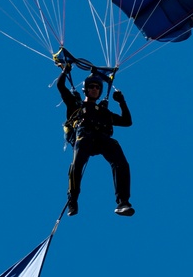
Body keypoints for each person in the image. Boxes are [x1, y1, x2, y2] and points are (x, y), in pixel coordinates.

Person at [57, 65, 135, 216]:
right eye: (91, 87)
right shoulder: (76, 105)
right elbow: (60, 86)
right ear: (85, 90)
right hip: (84, 137)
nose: (94, 89)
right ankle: (72, 200)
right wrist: (65, 71)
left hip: (101, 140)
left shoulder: (104, 113)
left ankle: (123, 202)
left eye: (97, 87)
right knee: (77, 164)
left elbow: (127, 121)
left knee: (121, 162)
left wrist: (121, 102)